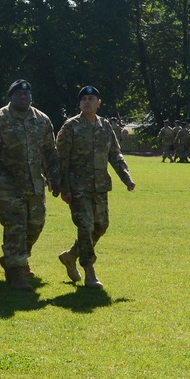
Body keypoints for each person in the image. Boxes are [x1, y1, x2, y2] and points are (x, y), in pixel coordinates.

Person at [0, 79, 58, 291]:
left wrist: (55, 178)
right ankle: (16, 275)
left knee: (36, 225)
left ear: (31, 97)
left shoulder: (42, 120)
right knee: (16, 228)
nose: (22, 97)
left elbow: (50, 153)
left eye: (26, 94)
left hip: (34, 184)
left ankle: (14, 259)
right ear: (11, 97)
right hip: (7, 185)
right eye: (17, 94)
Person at [55, 86, 135, 289]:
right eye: (83, 99)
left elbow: (115, 154)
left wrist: (126, 177)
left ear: (99, 103)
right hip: (78, 187)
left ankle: (71, 255)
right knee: (86, 226)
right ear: (80, 104)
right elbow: (62, 160)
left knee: (101, 226)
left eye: (91, 98)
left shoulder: (105, 126)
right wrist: (64, 188)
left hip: (100, 186)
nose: (87, 102)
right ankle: (89, 270)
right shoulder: (70, 127)